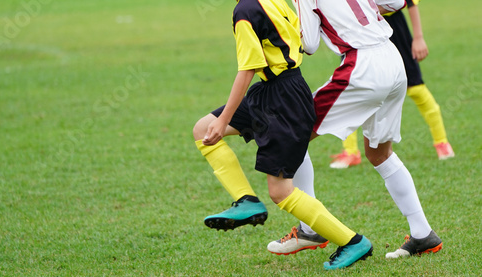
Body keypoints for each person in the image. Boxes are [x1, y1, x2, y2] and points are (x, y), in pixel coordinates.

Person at [193, 0, 372, 270]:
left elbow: (247, 70)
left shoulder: (245, 11)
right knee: (202, 127)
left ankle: (353, 241)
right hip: (276, 89)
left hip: (282, 99)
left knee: (280, 192)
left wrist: (225, 121)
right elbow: (297, 38)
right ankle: (246, 200)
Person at [267, 0, 443, 259]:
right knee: (379, 153)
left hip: (362, 65)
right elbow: (395, 2)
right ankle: (423, 233)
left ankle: (309, 230)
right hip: (393, 59)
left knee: (291, 132)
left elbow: (310, 44)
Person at [329, 0, 455, 169]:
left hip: (396, 29)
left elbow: (411, 3)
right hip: (359, 32)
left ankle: (442, 143)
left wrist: (418, 38)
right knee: (353, 90)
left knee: (415, 87)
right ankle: (351, 151)